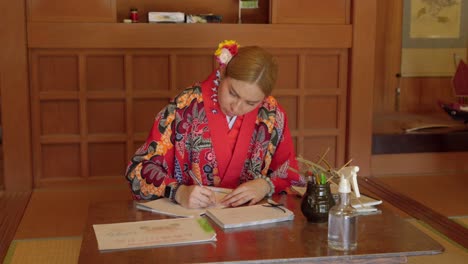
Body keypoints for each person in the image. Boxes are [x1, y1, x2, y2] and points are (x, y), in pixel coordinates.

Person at [126, 40, 304, 209]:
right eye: (232, 93)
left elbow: (289, 173)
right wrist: (178, 192)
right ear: (223, 71)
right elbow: (139, 169)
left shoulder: (271, 113)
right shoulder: (185, 106)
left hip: (249, 223)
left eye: (250, 103)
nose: (236, 107)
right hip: (192, 220)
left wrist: (265, 186)